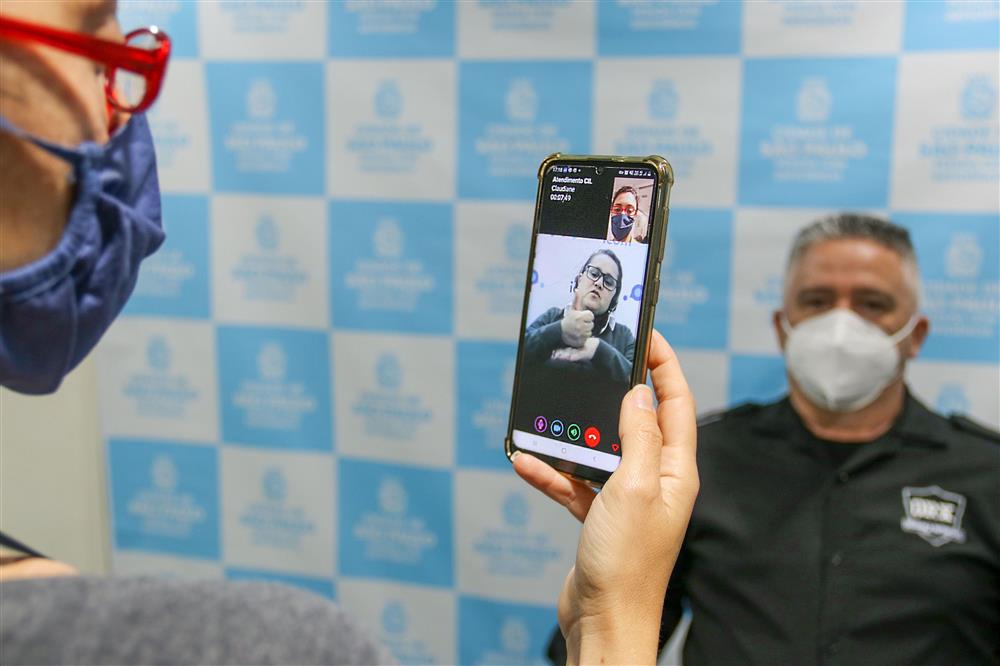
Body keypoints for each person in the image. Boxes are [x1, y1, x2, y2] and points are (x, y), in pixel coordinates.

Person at [0, 3, 699, 664]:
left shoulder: (613, 359)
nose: (121, 117)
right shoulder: (261, 648)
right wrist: (614, 621)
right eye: (99, 52)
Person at [529, 213, 1000, 665]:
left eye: (872, 304)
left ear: (914, 334)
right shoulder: (697, 462)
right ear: (783, 328)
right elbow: (603, 638)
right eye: (816, 301)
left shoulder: (986, 474)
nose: (841, 327)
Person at [524, 249, 635, 384]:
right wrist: (559, 331)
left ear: (614, 297)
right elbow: (519, 354)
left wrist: (597, 349)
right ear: (579, 279)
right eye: (594, 273)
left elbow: (634, 382)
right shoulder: (552, 317)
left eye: (609, 282)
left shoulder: (624, 335)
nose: (599, 283)